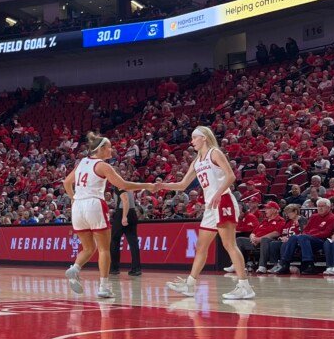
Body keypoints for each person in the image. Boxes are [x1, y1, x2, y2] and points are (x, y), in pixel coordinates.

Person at [162, 126, 255, 301]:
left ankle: (245, 286)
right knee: (201, 247)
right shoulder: (197, 161)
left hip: (223, 201)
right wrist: (162, 186)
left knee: (229, 245)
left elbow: (231, 176)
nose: (191, 141)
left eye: (194, 138)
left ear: (204, 137)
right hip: (210, 207)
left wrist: (218, 193)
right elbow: (182, 185)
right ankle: (189, 285)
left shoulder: (215, 153)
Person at [63, 133, 155, 299]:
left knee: (88, 248)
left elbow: (66, 182)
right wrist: (147, 184)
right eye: (109, 147)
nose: (111, 149)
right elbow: (124, 185)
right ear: (102, 149)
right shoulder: (103, 166)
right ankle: (104, 287)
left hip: (77, 206)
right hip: (94, 204)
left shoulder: (82, 163)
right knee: (105, 249)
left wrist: (73, 198)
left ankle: (75, 268)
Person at [272, 197, 334, 274]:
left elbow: (327, 233)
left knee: (303, 237)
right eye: (318, 206)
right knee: (293, 237)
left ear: (328, 207)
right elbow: (306, 229)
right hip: (307, 238)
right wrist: (306, 235)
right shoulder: (314, 216)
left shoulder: (332, 217)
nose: (320, 208)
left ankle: (309, 263)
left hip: (321, 240)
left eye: (322, 206)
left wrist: (309, 235)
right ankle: (285, 263)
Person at [109, 184, 142, 277]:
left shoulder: (117, 185)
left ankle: (114, 268)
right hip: (132, 212)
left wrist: (124, 217)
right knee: (133, 243)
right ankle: (136, 268)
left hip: (122, 212)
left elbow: (125, 200)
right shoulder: (127, 184)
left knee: (115, 241)